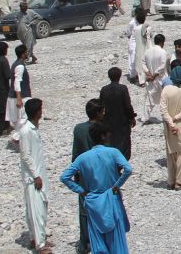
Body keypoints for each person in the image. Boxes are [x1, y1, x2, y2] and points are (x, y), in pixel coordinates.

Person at [60, 121, 133, 254]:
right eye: (108, 133)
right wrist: (117, 185)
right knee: (116, 239)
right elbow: (128, 169)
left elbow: (64, 177)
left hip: (93, 201)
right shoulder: (113, 152)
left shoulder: (82, 158)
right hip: (111, 198)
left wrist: (81, 191)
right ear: (103, 136)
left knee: (98, 240)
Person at [70, 99, 104, 254]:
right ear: (98, 113)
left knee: (84, 209)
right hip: (100, 174)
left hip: (83, 173)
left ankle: (85, 242)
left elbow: (75, 152)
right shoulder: (100, 129)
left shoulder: (78, 129)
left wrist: (75, 172)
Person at [19, 98, 50, 254]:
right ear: (37, 112)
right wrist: (36, 176)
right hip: (33, 178)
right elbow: (25, 155)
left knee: (40, 207)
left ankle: (37, 237)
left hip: (38, 175)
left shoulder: (33, 129)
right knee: (36, 209)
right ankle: (40, 244)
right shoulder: (26, 131)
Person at [99, 67, 137, 160]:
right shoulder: (123, 88)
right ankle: (121, 161)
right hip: (122, 121)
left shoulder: (104, 89)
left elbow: (101, 105)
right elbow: (127, 105)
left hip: (108, 121)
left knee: (110, 141)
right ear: (119, 76)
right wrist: (132, 117)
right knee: (123, 142)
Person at [7, 44, 33, 142]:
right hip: (22, 96)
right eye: (26, 52)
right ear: (23, 54)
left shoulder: (16, 64)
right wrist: (19, 98)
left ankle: (19, 138)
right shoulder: (20, 66)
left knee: (20, 120)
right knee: (24, 118)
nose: (27, 53)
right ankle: (16, 137)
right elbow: (16, 82)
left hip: (17, 96)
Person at [142, 34, 169, 123]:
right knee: (165, 98)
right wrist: (154, 75)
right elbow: (162, 66)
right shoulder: (163, 52)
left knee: (149, 98)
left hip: (150, 79)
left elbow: (143, 63)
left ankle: (145, 117)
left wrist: (148, 73)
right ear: (162, 42)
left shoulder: (147, 51)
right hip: (161, 78)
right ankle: (167, 117)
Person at [130, 8, 151, 84]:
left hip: (139, 48)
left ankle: (141, 80)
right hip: (147, 46)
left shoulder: (136, 29)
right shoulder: (148, 27)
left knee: (139, 64)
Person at [17, 0, 38, 64]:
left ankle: (25, 60)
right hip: (21, 32)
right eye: (21, 7)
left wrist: (32, 23)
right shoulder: (19, 13)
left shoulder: (30, 12)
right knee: (25, 45)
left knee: (28, 46)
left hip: (28, 31)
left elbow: (39, 17)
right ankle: (33, 57)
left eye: (24, 7)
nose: (22, 9)